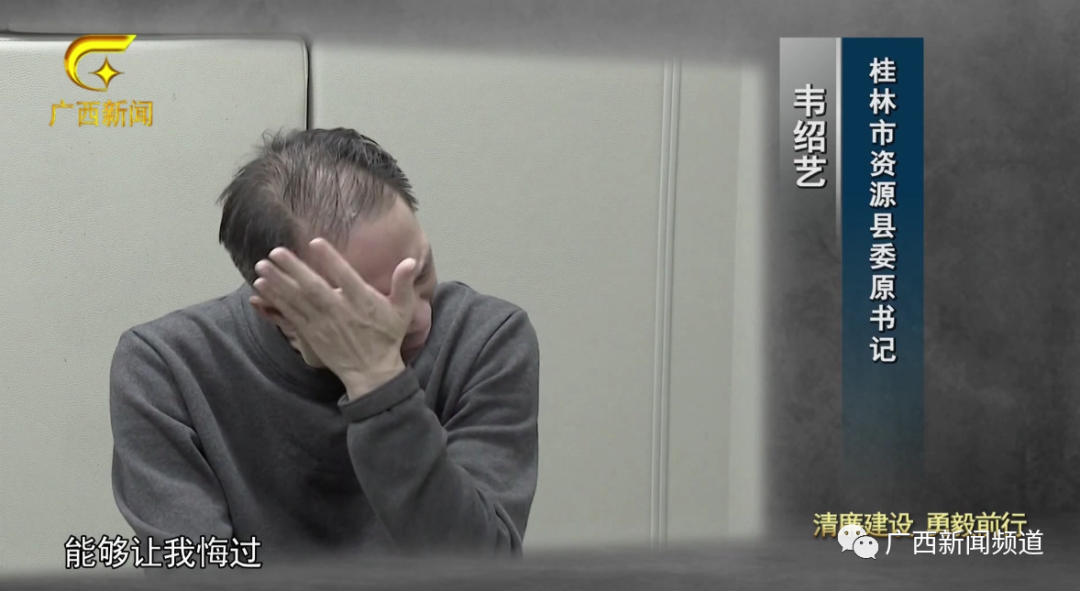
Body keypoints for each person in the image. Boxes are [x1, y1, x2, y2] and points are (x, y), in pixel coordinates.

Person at [108, 128, 540, 566]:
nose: (417, 317)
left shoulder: (484, 338)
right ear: (278, 310)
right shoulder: (166, 368)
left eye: (420, 273)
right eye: (371, 304)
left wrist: (378, 383)